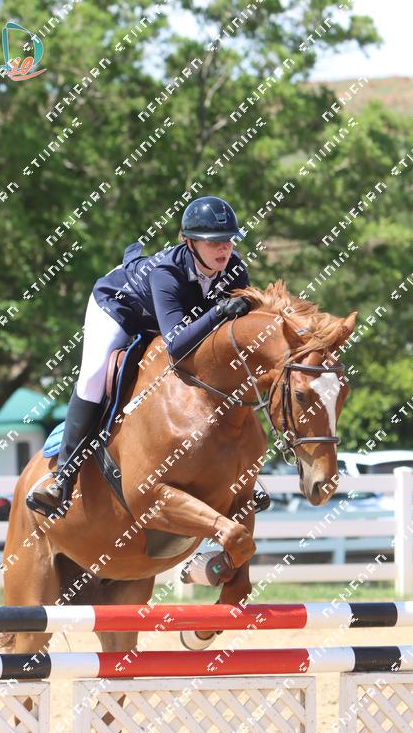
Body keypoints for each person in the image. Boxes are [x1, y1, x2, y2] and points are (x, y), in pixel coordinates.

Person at [28, 196, 252, 514]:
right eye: (213, 241)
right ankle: (62, 478)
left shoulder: (235, 269)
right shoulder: (167, 272)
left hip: (168, 318)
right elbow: (177, 344)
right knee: (93, 376)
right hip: (120, 306)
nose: (223, 248)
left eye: (228, 240)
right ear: (189, 242)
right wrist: (218, 313)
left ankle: (244, 476)